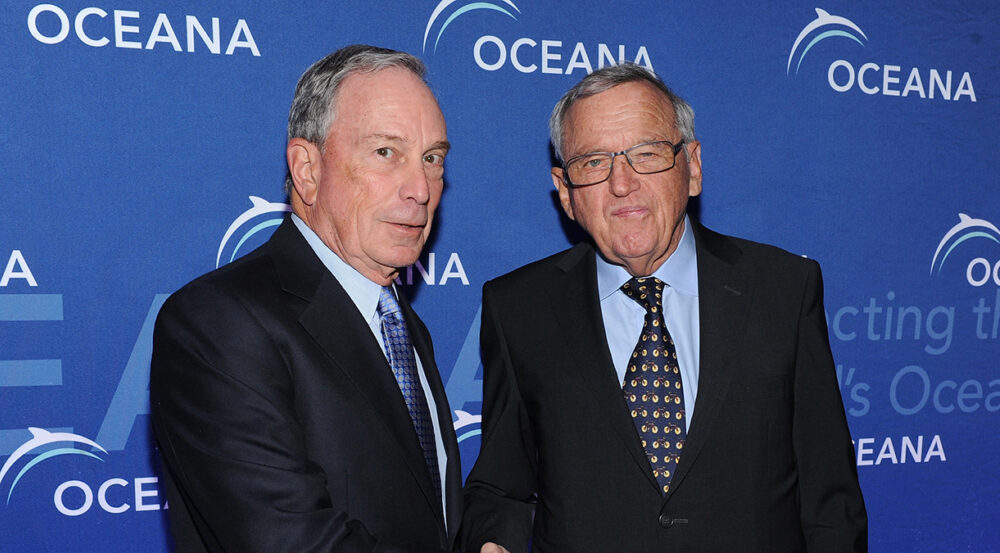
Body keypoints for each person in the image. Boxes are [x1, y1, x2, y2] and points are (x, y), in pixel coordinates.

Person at [460, 63, 867, 553]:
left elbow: (830, 499)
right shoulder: (517, 309)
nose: (622, 183)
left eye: (647, 154)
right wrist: (490, 543)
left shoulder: (784, 289)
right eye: (593, 162)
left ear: (692, 167)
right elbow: (500, 487)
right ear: (565, 192)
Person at [151, 44, 461, 552]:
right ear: (308, 169)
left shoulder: (401, 325)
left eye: (431, 159)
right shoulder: (218, 323)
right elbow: (289, 540)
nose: (421, 189)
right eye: (386, 152)